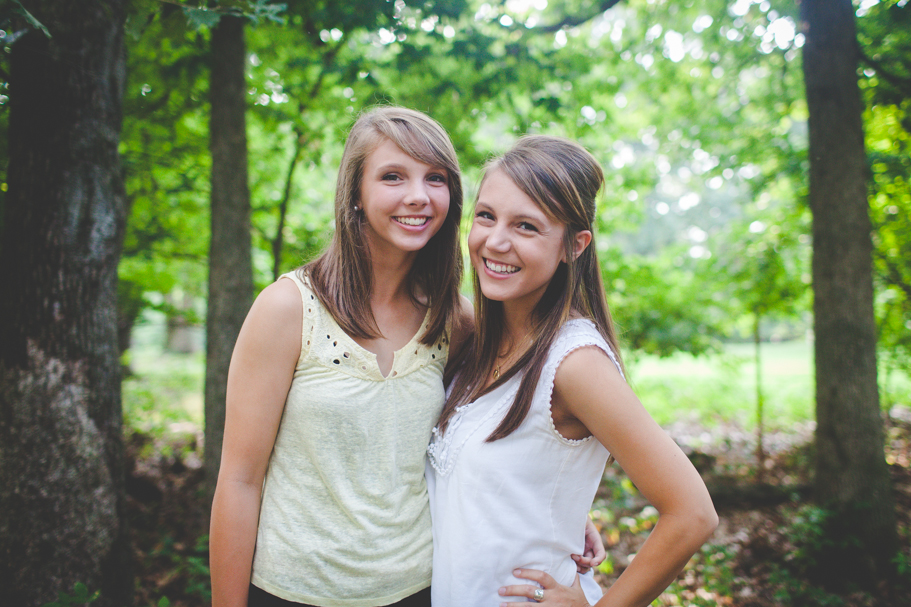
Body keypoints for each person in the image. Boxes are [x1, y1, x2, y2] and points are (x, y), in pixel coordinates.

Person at [426, 135, 719, 607]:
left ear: (574, 245)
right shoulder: (477, 341)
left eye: (526, 226)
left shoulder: (575, 362)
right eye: (486, 216)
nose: (495, 241)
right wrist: (560, 509)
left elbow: (693, 514)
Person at [209, 106, 472, 607]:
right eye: (393, 176)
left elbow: (503, 425)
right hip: (291, 591)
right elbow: (239, 482)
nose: (418, 195)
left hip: (415, 589)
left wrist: (562, 516)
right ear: (355, 192)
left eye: (435, 178)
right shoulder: (289, 308)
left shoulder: (454, 319)